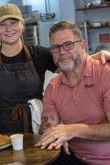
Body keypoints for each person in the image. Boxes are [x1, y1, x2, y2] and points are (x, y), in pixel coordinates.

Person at [0, 3, 110, 134]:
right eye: (2, 24)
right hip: (2, 134)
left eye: (13, 22)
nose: (9, 29)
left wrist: (98, 56)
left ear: (22, 24)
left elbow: (72, 63)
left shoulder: (39, 54)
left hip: (38, 127)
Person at [35, 20, 110, 165]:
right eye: (55, 47)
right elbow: (47, 126)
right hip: (74, 157)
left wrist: (73, 130)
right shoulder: (53, 86)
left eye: (68, 45)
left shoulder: (105, 73)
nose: (62, 52)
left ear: (82, 45)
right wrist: (55, 134)